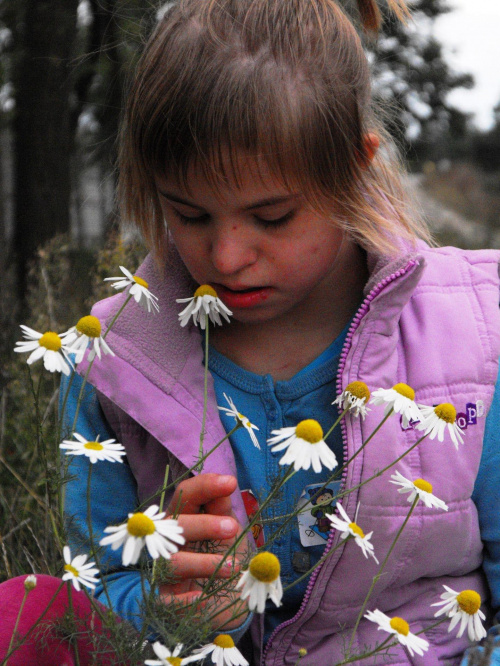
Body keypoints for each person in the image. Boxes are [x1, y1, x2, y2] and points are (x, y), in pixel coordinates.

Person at [2, 0, 500, 664]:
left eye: (272, 216)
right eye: (191, 214)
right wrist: (172, 603)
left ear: (355, 166)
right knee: (24, 610)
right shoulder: (113, 365)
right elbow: (95, 586)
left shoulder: (474, 336)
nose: (228, 255)